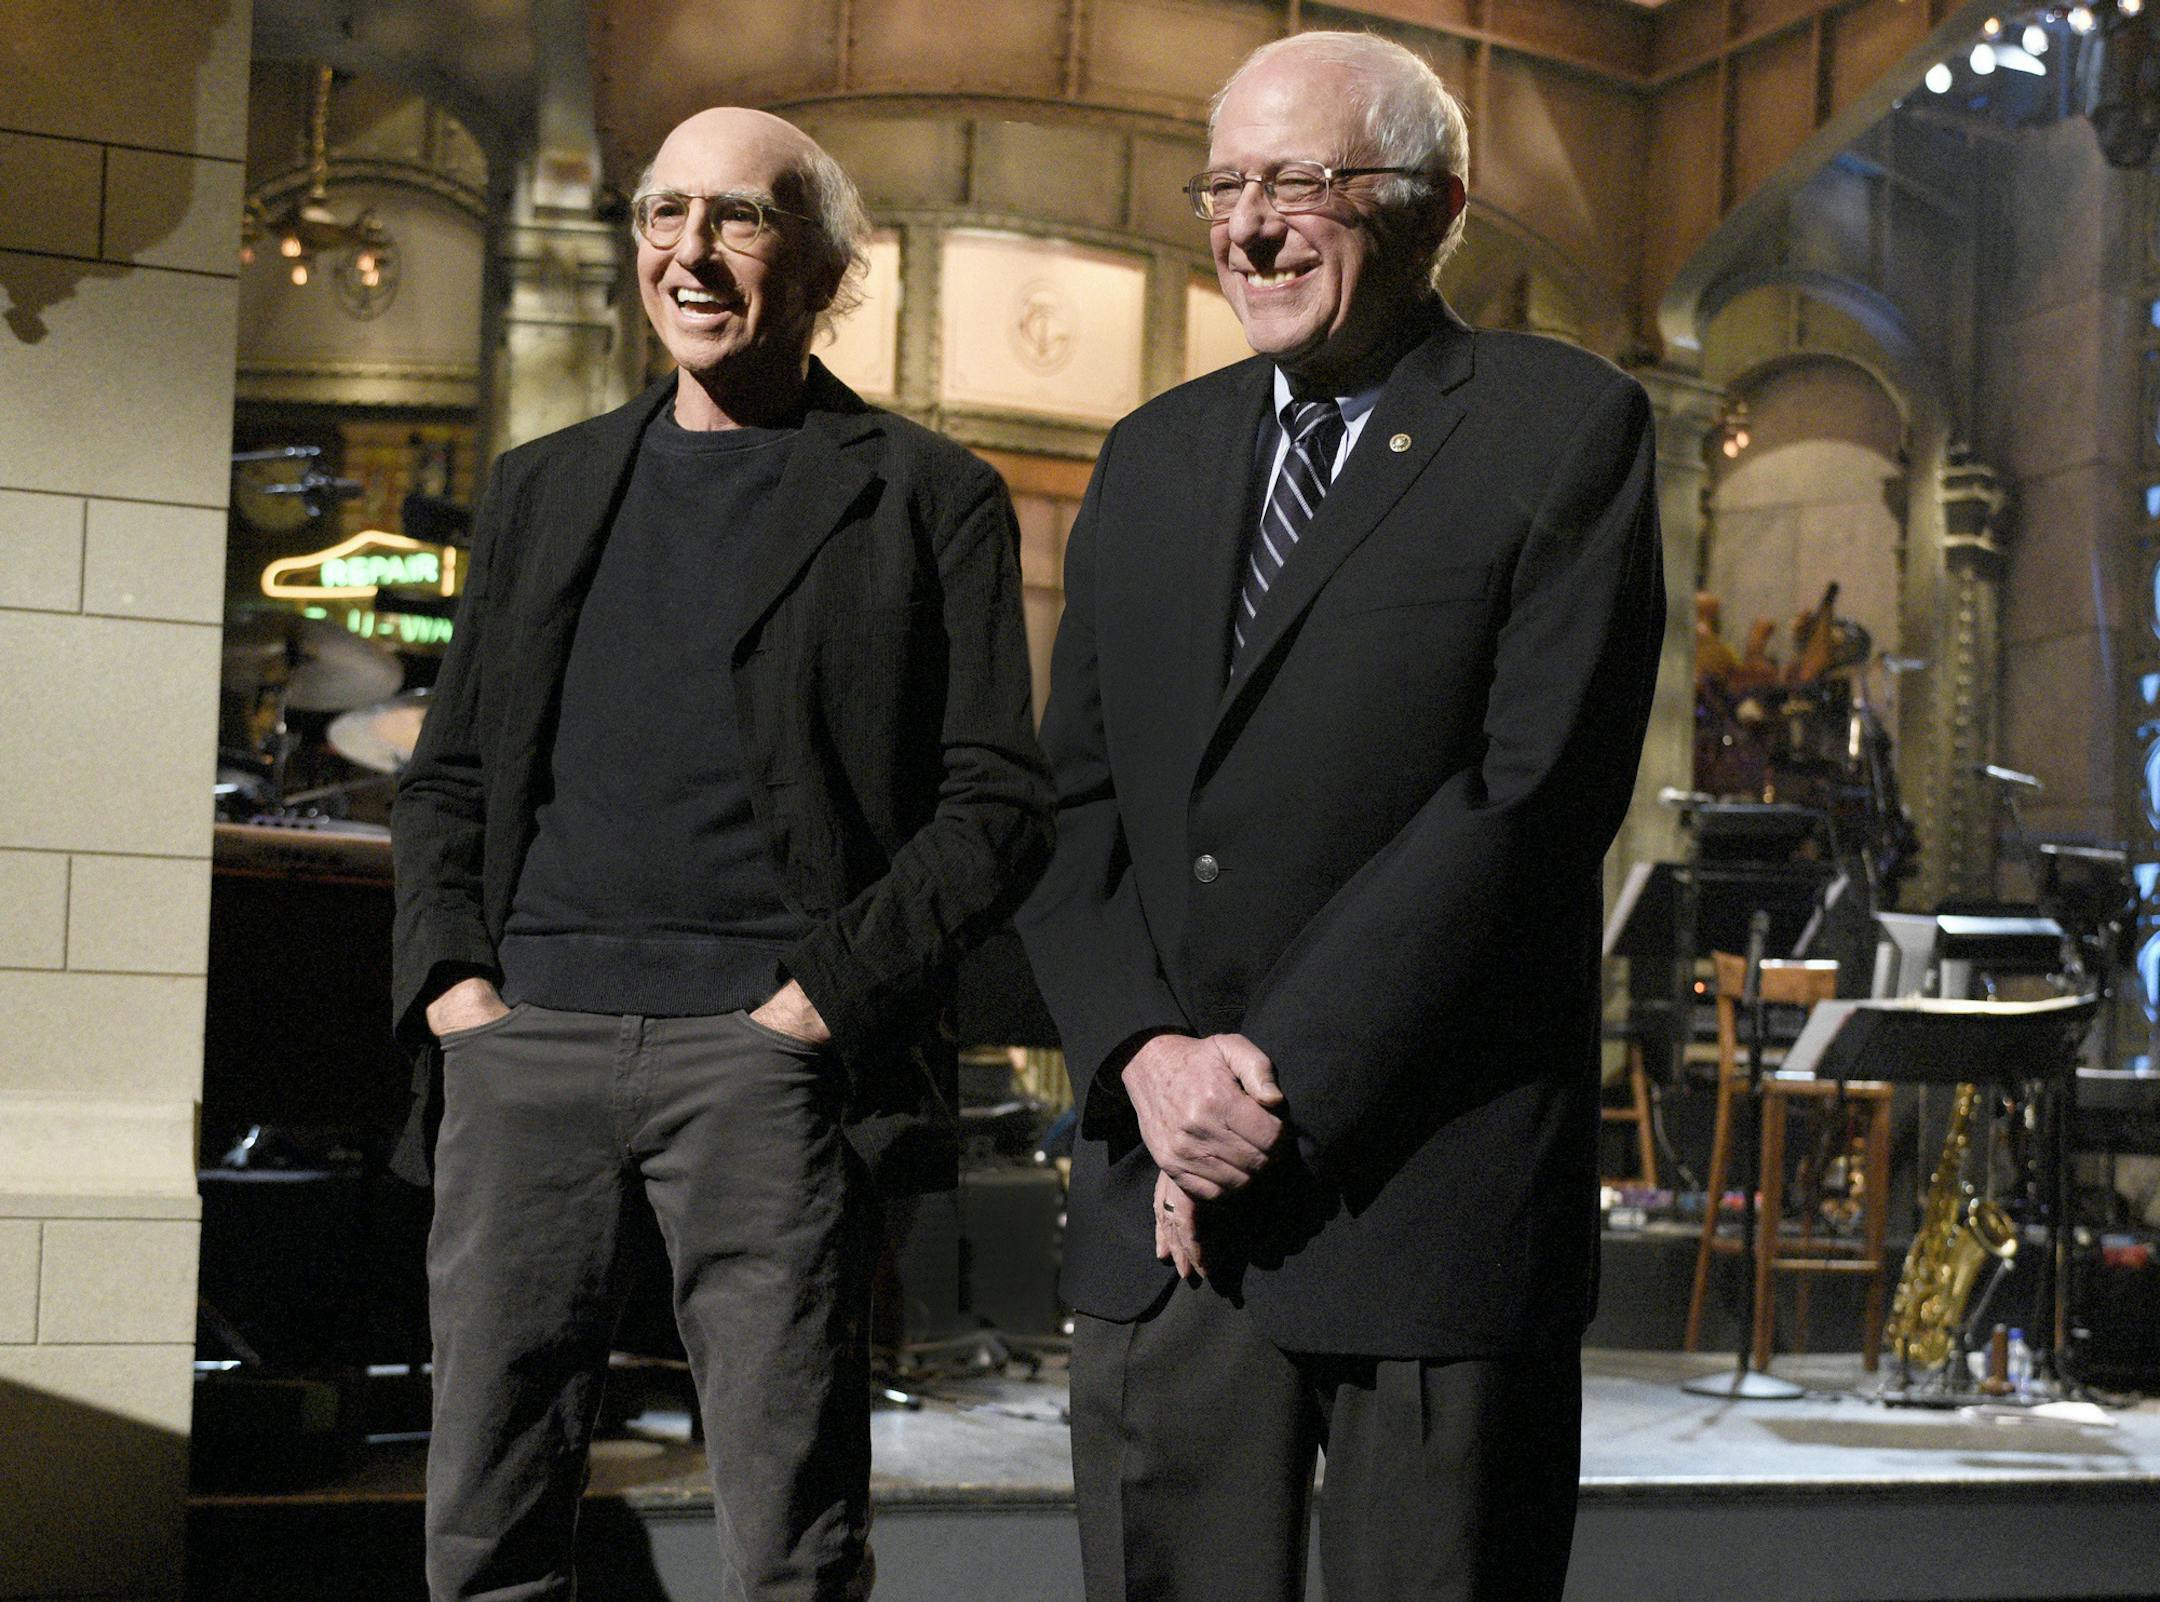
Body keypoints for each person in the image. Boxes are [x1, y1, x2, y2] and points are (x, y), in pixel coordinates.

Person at [1017, 31, 1666, 1602]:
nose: (1249, 226)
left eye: (1301, 183)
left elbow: (1526, 799)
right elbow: (1074, 807)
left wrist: (1271, 1081)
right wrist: (1148, 1063)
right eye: (1225, 184)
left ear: (1437, 206)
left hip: (1424, 1209)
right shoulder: (1150, 456)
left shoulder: (1563, 428)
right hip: (1171, 1230)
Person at [391, 107, 1052, 1601]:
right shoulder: (544, 483)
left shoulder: (925, 495)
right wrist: (456, 992)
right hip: (527, 1042)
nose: (689, 253)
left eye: (737, 219)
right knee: (481, 1531)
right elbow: (451, 775)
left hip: (764, 1059)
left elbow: (999, 800)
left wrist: (813, 1007)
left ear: (823, 268)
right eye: (663, 213)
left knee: (788, 1539)